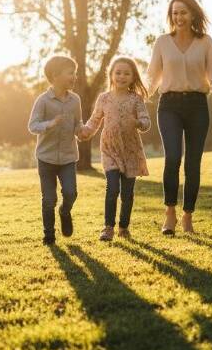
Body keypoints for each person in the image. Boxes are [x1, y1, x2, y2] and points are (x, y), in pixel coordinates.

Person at [146, 0, 212, 235]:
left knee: (193, 163)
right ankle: (170, 213)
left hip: (198, 105)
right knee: (173, 157)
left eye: (183, 12)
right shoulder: (162, 42)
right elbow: (152, 76)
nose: (179, 17)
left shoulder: (205, 42)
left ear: (193, 14)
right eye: (175, 13)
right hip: (169, 105)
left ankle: (188, 215)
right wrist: (135, 99)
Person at [78, 57, 151, 242]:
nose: (122, 76)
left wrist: (138, 122)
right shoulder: (104, 98)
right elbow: (95, 120)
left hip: (131, 151)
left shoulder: (136, 99)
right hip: (109, 149)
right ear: (111, 75)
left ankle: (123, 227)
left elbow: (146, 122)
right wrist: (85, 132)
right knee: (112, 188)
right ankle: (108, 227)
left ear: (133, 77)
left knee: (127, 194)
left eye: (127, 73)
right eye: (118, 72)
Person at [27, 55, 82, 245]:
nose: (74, 77)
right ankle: (49, 235)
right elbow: (32, 126)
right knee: (49, 199)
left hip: (68, 157)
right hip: (46, 158)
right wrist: (50, 124)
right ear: (55, 75)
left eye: (75, 73)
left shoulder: (75, 100)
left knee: (71, 193)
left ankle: (65, 211)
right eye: (70, 73)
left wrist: (81, 131)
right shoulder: (43, 101)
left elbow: (78, 123)